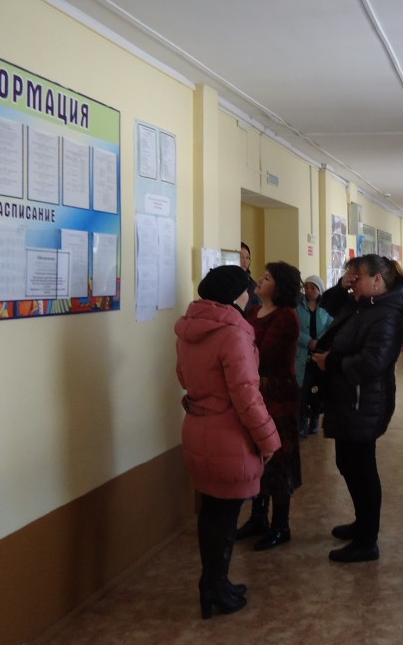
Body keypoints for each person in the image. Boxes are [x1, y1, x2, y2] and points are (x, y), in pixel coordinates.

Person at [175, 265, 280, 619]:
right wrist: (268, 440)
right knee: (225, 515)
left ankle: (214, 582)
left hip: (198, 428)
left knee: (211, 511)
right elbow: (247, 396)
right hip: (228, 436)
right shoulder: (233, 333)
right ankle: (214, 587)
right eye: (248, 290)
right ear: (236, 294)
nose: (251, 295)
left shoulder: (189, 328)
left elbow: (183, 377)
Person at [311, 254, 403, 563]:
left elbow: (373, 363)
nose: (353, 283)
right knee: (347, 462)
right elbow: (328, 307)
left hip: (364, 401)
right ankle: (362, 522)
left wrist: (331, 362)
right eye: (351, 278)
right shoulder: (361, 304)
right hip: (348, 397)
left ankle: (368, 540)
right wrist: (341, 286)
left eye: (357, 278)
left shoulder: (387, 315)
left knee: (362, 468)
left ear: (377, 280)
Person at [237, 261, 302, 552]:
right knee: (257, 456)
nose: (260, 281)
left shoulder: (286, 317)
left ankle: (281, 525)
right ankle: (258, 517)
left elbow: (263, 355)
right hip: (257, 393)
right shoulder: (253, 312)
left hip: (278, 396)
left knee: (279, 459)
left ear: (281, 286)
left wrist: (242, 357)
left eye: (267, 278)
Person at [296, 274, 333, 437]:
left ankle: (315, 419)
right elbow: (294, 328)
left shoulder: (326, 308)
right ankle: (303, 421)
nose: (309, 290)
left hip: (320, 354)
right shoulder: (298, 307)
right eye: (307, 287)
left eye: (313, 288)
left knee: (317, 389)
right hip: (302, 354)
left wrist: (319, 342)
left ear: (320, 290)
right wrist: (308, 341)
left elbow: (332, 327)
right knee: (302, 391)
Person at [239, 242, 263, 310]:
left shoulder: (252, 283)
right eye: (241, 257)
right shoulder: (230, 282)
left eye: (247, 257)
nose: (245, 261)